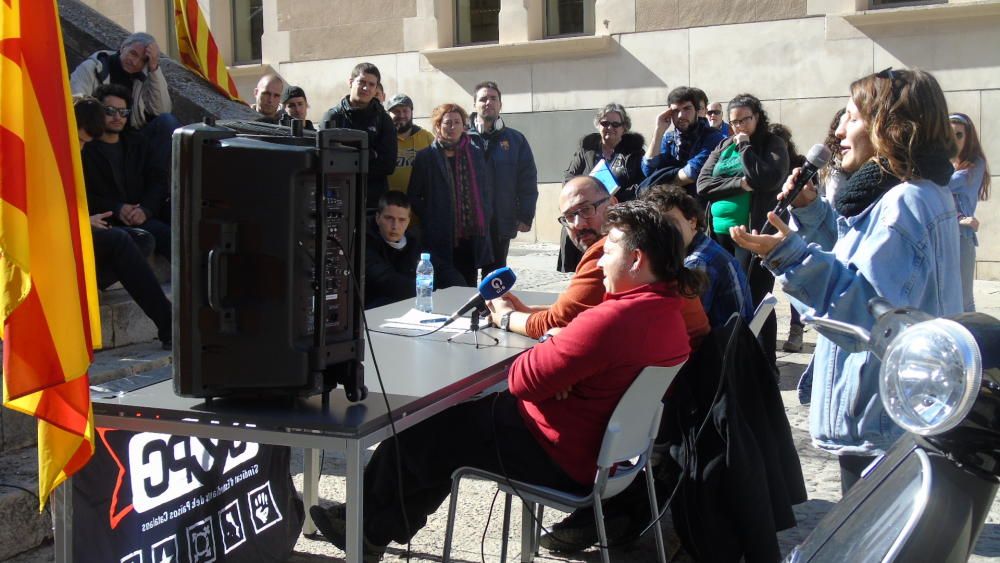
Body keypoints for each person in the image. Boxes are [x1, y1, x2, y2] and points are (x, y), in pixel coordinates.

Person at [308, 200, 698, 561]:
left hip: (556, 451)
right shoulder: (668, 311)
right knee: (440, 435)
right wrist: (562, 360)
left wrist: (552, 354)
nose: (599, 263)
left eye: (608, 252)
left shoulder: (613, 319)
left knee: (421, 428)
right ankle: (371, 527)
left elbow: (523, 382)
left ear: (635, 258)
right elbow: (571, 367)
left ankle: (366, 529)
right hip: (596, 451)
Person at [731, 68, 962, 494]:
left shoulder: (904, 203)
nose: (837, 131)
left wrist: (787, 256)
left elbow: (867, 316)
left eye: (851, 118)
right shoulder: (918, 191)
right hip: (893, 415)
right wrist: (812, 211)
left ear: (891, 128)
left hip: (881, 423)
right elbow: (855, 259)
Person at [488, 176, 709, 344]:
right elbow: (577, 313)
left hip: (669, 394)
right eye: (568, 217)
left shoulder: (613, 253)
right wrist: (527, 310)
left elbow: (557, 323)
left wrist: (506, 317)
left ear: (612, 203)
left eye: (586, 210)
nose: (578, 224)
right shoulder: (644, 241)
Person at [697, 93, 789, 364]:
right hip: (719, 234)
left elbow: (767, 178)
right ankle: (734, 358)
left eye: (744, 120)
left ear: (757, 117)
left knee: (755, 297)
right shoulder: (723, 144)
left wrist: (746, 147)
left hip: (753, 234)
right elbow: (703, 185)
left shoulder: (771, 143)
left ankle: (764, 361)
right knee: (725, 296)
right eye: (734, 122)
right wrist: (741, 183)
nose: (738, 127)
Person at [75, 96, 171, 348]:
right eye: (79, 140)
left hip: (83, 228)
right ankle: (169, 324)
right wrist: (84, 221)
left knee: (141, 239)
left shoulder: (130, 144)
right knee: (120, 240)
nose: (81, 147)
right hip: (60, 236)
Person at [642, 185, 753, 329]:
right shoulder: (700, 246)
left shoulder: (698, 262)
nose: (664, 231)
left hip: (722, 346)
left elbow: (686, 324)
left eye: (670, 222)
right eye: (656, 226)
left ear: (692, 222)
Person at [70, 32, 179, 177]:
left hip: (131, 135)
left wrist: (154, 68)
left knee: (167, 123)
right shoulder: (92, 67)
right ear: (122, 48)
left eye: (142, 60)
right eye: (133, 54)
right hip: (99, 133)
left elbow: (162, 110)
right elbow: (77, 102)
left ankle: (160, 185)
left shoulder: (146, 74)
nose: (135, 62)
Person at [407, 103, 493, 288]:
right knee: (444, 284)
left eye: (457, 122)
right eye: (447, 123)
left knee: (468, 284)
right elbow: (413, 195)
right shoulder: (426, 156)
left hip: (470, 235)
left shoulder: (476, 154)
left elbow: (485, 191)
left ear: (464, 126)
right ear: (438, 126)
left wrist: (485, 216)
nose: (452, 127)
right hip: (439, 235)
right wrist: (431, 216)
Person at [82, 84, 171, 259]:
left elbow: (157, 180)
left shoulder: (138, 143)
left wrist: (145, 209)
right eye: (110, 111)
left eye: (123, 112)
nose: (117, 117)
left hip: (140, 216)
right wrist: (116, 208)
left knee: (176, 232)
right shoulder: (85, 147)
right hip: (104, 220)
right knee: (142, 240)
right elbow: (81, 193)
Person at [560, 103, 645, 272]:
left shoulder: (635, 153)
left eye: (615, 124)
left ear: (624, 128)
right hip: (583, 213)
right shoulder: (587, 149)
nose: (610, 128)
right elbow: (568, 177)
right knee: (582, 266)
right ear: (598, 125)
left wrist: (612, 193)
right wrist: (586, 189)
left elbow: (641, 187)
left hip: (615, 216)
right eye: (605, 123)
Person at [468, 81, 538, 275]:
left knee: (495, 279)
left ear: (500, 104)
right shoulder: (461, 137)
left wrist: (525, 215)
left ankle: (492, 307)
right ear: (475, 104)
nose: (488, 102)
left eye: (493, 98)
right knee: (464, 278)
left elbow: (527, 181)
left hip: (500, 221)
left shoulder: (516, 140)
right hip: (468, 223)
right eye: (483, 99)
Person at [321, 63, 397, 214]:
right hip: (338, 198)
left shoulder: (384, 120)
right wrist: (369, 155)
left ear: (376, 89)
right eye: (361, 82)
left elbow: (388, 165)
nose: (366, 88)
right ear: (350, 82)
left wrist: (349, 155)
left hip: (373, 202)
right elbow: (326, 161)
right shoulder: (333, 116)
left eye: (371, 84)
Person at [640, 86, 726, 196]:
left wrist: (656, 184)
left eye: (687, 109)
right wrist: (658, 131)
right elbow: (648, 170)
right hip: (669, 205)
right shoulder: (669, 138)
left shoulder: (713, 137)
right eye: (675, 111)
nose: (681, 115)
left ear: (696, 110)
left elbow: (692, 173)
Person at [769, 123, 808, 352]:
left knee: (795, 279)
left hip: (794, 228)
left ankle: (797, 329)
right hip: (769, 226)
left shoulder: (799, 164)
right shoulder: (765, 163)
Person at [948, 112, 991, 312]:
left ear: (968, 138)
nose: (954, 140)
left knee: (965, 299)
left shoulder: (975, 164)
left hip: (961, 236)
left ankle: (974, 339)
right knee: (945, 296)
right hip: (942, 232)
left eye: (959, 135)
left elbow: (945, 186)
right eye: (949, 134)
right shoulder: (942, 164)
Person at [365, 191, 421, 308]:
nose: (395, 226)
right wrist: (426, 293)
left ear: (408, 221)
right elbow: (385, 279)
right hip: (371, 310)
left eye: (401, 220)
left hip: (405, 304)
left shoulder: (412, 240)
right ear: (377, 218)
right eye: (389, 218)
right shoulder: (364, 241)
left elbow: (441, 267)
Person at [385, 94, 434, 194]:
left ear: (411, 112)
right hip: (389, 202)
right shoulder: (383, 138)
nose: (401, 115)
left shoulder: (427, 138)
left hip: (420, 200)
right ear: (388, 114)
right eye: (396, 111)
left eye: (405, 111)